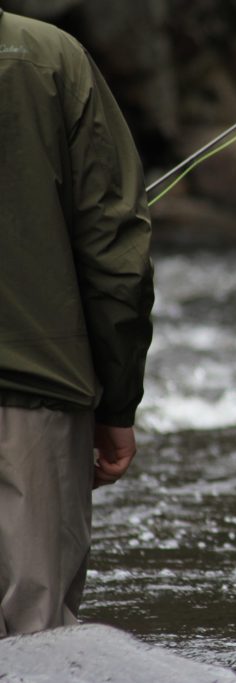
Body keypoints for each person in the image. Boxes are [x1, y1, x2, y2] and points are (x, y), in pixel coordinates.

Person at [0, 9, 154, 635]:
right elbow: (116, 250)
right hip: (37, 393)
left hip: (39, 385)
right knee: (36, 643)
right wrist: (117, 404)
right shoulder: (52, 56)